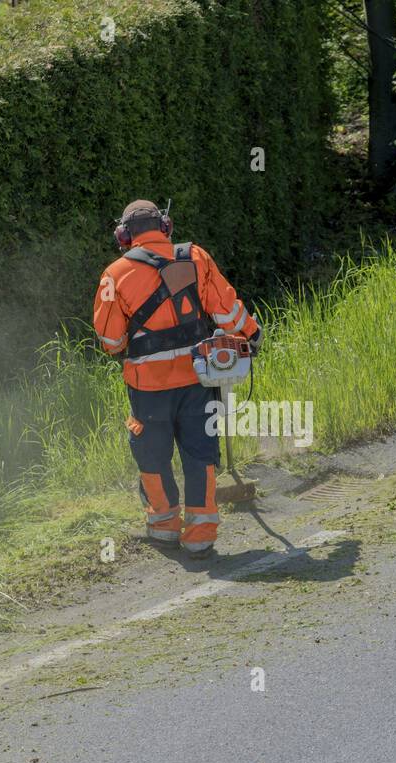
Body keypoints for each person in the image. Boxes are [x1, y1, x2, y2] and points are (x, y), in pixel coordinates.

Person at [93, 200, 261, 556]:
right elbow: (226, 308)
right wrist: (251, 333)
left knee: (151, 452)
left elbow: (110, 342)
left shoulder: (114, 275)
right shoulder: (196, 257)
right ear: (165, 226)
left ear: (124, 236)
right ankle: (201, 532)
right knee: (200, 449)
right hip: (199, 379)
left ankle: (164, 524)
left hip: (147, 386)